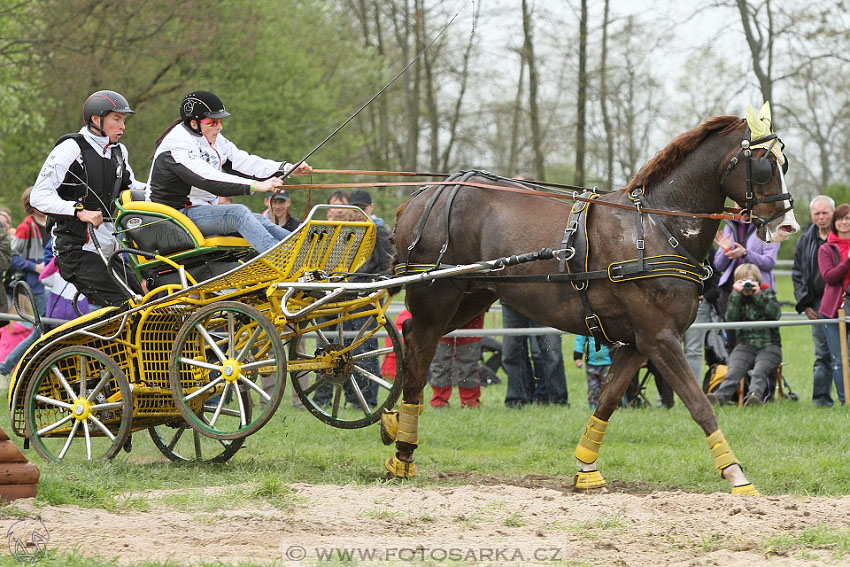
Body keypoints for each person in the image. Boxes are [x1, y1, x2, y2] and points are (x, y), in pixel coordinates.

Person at [147, 90, 311, 253]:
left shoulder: (213, 138)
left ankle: (304, 251)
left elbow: (243, 161)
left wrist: (285, 168)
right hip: (172, 218)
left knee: (259, 219)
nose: (220, 127)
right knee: (238, 213)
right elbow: (206, 178)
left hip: (199, 211)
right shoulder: (177, 142)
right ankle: (280, 258)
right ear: (194, 123)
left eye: (220, 121)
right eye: (213, 122)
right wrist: (256, 185)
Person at [31, 89, 146, 307]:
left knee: (146, 303)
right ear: (96, 119)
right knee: (128, 304)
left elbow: (133, 187)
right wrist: (78, 210)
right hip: (75, 250)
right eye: (117, 119)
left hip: (108, 249)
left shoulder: (119, 151)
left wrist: (165, 191)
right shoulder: (71, 148)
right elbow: (38, 196)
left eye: (124, 120)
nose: (123, 126)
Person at [706, 263, 782, 407]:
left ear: (758, 281)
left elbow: (775, 314)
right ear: (736, 283)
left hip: (769, 345)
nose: (748, 285)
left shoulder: (766, 292)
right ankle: (718, 398)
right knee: (733, 372)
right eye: (744, 281)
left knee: (759, 372)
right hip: (744, 345)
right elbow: (731, 319)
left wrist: (757, 295)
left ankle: (754, 397)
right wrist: (736, 295)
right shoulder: (735, 297)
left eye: (751, 281)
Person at [792, 195, 835, 407]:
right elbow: (798, 273)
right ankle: (821, 399)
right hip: (817, 303)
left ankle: (846, 397)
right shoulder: (806, 238)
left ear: (833, 214)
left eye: (825, 213)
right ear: (812, 216)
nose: (821, 217)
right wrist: (805, 303)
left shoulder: (842, 236)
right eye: (817, 213)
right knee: (822, 353)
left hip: (843, 300)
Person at [501, 302, 568, 407]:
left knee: (552, 354)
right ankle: (516, 400)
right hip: (510, 301)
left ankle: (557, 401)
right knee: (511, 354)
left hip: (544, 300)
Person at [817, 203, 850, 405]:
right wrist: (847, 262)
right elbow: (829, 277)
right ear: (834, 223)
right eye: (841, 219)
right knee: (838, 360)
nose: (845, 222)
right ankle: (845, 401)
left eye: (848, 218)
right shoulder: (826, 248)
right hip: (833, 309)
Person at [430, 313, 485, 408]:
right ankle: (439, 401)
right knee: (441, 361)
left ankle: (470, 400)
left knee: (469, 361)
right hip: (442, 312)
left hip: (473, 310)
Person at [574, 334, 611, 410]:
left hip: (608, 363)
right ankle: (593, 406)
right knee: (592, 388)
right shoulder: (589, 326)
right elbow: (580, 340)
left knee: (608, 387)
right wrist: (578, 357)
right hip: (591, 364)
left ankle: (607, 407)